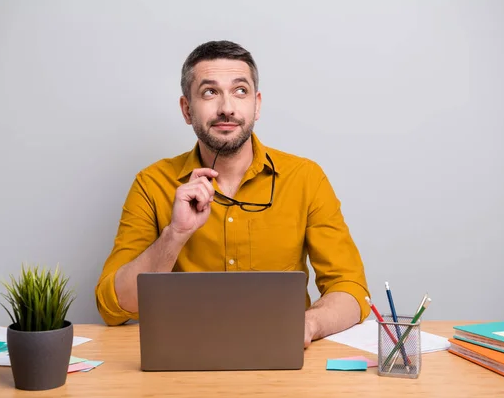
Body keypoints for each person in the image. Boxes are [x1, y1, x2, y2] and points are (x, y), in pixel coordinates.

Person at [95, 40, 370, 347]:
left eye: (240, 91)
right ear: (187, 109)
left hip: (283, 360)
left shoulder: (306, 178)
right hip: (182, 360)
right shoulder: (151, 184)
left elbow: (352, 290)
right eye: (209, 92)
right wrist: (175, 234)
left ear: (257, 104)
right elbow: (112, 306)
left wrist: (307, 324)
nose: (227, 108)